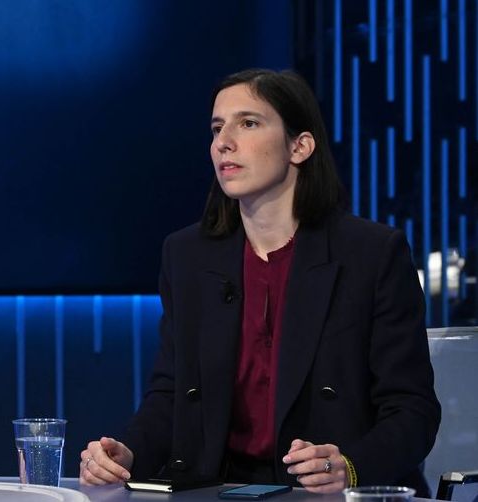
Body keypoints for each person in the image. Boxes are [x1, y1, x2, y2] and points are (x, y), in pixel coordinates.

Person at [79, 69, 441, 496]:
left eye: (248, 123)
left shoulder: (372, 254)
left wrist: (350, 466)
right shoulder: (187, 255)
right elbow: (172, 395)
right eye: (217, 128)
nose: (224, 142)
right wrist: (129, 452)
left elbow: (412, 410)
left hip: (329, 493)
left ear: (299, 146)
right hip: (219, 488)